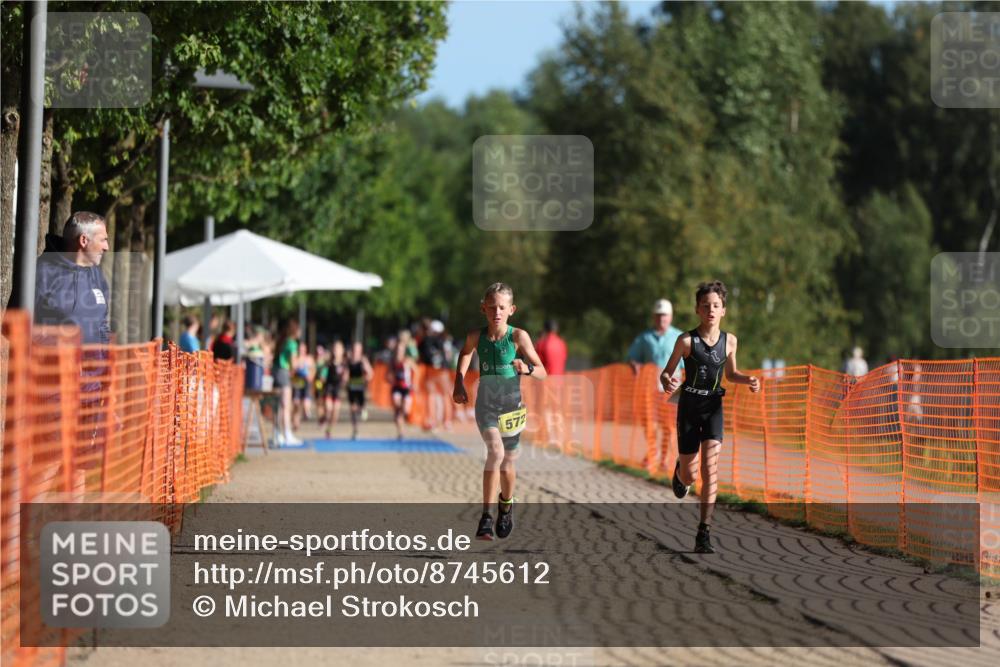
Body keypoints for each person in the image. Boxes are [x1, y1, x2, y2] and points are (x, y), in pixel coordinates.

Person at [660, 281, 760, 554]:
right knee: (692, 474)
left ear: (724, 310)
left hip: (714, 408)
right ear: (697, 310)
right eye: (706, 306)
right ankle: (681, 472)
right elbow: (666, 373)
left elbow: (730, 374)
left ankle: (704, 531)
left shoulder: (731, 341)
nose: (711, 310)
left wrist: (748, 379)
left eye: (716, 305)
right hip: (689, 408)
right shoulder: (685, 341)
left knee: (710, 470)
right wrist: (668, 380)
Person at [453, 282, 547, 541]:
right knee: (495, 452)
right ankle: (486, 517)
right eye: (492, 307)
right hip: (486, 404)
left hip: (511, 407)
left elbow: (542, 371)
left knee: (507, 464)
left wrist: (525, 368)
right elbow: (464, 353)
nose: (497, 312)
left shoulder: (518, 337)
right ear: (483, 308)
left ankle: (506, 504)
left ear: (511, 310)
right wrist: (458, 381)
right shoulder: (476, 336)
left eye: (502, 308)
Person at [34, 211, 111, 344]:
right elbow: (14, 329)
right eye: (103, 240)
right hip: (50, 364)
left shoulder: (97, 274)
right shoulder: (41, 272)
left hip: (94, 364)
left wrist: (104, 360)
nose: (107, 247)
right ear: (83, 240)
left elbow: (102, 326)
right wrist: (59, 356)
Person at [628, 299, 685, 472]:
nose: (662, 319)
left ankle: (665, 457)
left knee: (668, 425)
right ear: (654, 317)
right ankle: (652, 453)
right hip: (649, 388)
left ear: (671, 317)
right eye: (659, 315)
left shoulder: (679, 336)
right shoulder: (644, 338)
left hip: (671, 389)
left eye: (665, 315)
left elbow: (688, 362)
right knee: (649, 422)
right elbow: (632, 357)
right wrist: (634, 365)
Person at [272, 318, 304, 446]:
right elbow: (294, 364)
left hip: (277, 372)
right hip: (284, 373)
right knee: (286, 405)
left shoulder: (282, 341)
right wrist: (303, 361)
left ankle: (277, 433)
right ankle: (287, 434)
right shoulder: (292, 343)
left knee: (279, 406)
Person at [388, 340, 417, 441]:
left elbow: (416, 371)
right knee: (397, 404)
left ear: (404, 351)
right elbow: (388, 374)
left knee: (405, 410)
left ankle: (400, 416)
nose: (399, 352)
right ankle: (400, 433)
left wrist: (414, 382)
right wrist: (389, 378)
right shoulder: (392, 361)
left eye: (401, 350)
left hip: (406, 388)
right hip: (396, 387)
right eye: (398, 350)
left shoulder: (408, 360)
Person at [345, 340, 374, 440]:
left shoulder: (363, 360)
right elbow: (345, 374)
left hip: (360, 388)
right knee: (352, 409)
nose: (355, 352)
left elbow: (370, 373)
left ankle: (362, 409)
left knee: (360, 408)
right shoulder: (348, 360)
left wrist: (365, 379)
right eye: (354, 349)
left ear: (360, 351)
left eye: (357, 350)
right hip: (351, 388)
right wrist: (345, 379)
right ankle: (355, 429)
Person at [323, 341, 348, 438]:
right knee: (329, 409)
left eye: (338, 349)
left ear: (342, 351)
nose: (336, 351)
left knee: (335, 413)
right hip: (329, 387)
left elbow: (346, 375)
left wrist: (345, 379)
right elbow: (323, 372)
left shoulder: (344, 363)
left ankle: (329, 429)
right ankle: (324, 417)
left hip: (337, 389)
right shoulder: (329, 362)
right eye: (335, 349)